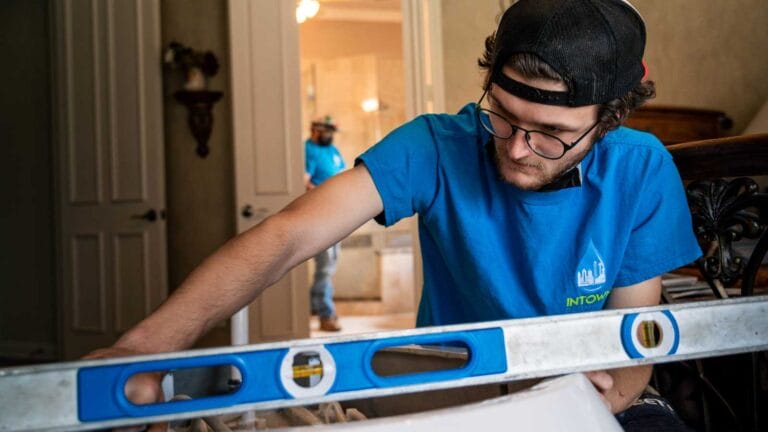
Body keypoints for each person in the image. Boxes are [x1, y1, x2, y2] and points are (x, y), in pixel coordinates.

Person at [87, 1, 702, 430]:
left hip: (587, 396)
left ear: (610, 119)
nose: (516, 148)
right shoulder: (435, 146)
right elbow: (284, 237)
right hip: (452, 392)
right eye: (504, 116)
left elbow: (633, 342)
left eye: (551, 135)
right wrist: (143, 348)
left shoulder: (641, 168)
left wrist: (591, 401)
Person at [304, 116, 346, 331]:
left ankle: (313, 305)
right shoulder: (308, 150)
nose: (330, 136)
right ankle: (326, 314)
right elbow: (304, 181)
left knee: (331, 264)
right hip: (321, 213)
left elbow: (342, 174)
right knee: (326, 267)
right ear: (315, 131)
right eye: (326, 132)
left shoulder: (333, 151)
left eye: (332, 132)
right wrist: (324, 195)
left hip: (336, 213)